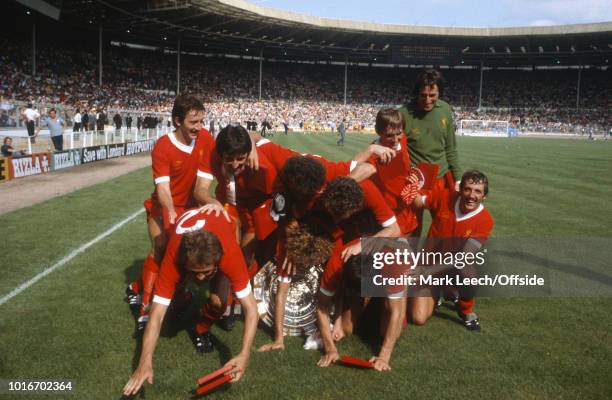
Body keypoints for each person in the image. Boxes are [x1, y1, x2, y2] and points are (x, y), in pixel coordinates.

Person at [122, 210, 258, 396]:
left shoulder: (230, 255)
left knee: (219, 303)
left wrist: (244, 354)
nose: (200, 278)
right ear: (184, 261)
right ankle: (169, 294)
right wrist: (144, 363)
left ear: (218, 261)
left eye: (206, 272)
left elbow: (251, 309)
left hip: (222, 232)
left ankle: (201, 328)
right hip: (184, 236)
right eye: (194, 272)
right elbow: (156, 315)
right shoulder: (174, 256)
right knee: (171, 306)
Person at [126, 95, 219, 332]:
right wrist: (169, 212)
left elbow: (203, 185)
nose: (199, 127)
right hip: (164, 205)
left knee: (185, 258)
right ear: (178, 121)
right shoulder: (163, 147)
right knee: (160, 247)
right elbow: (163, 189)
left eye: (201, 121)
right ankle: (146, 308)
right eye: (193, 122)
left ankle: (141, 288)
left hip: (191, 208)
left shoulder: (206, 139)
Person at [404, 169, 494, 331]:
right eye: (467, 189)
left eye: (477, 191)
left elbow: (463, 258)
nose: (471, 195)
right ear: (460, 190)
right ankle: (441, 290)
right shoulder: (445, 196)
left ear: (484, 196)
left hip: (450, 268)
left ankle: (465, 309)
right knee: (418, 317)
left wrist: (425, 271)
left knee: (468, 271)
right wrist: (411, 186)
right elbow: (419, 202)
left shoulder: (485, 220)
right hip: (429, 264)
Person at [399, 70, 461, 234]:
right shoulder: (404, 113)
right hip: (414, 180)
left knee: (443, 227)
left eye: (432, 95)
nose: (428, 100)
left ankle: (436, 260)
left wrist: (458, 178)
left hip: (441, 177)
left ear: (439, 92)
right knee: (411, 229)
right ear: (416, 93)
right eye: (423, 95)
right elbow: (397, 149)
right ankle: (410, 260)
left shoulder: (445, 109)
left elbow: (451, 148)